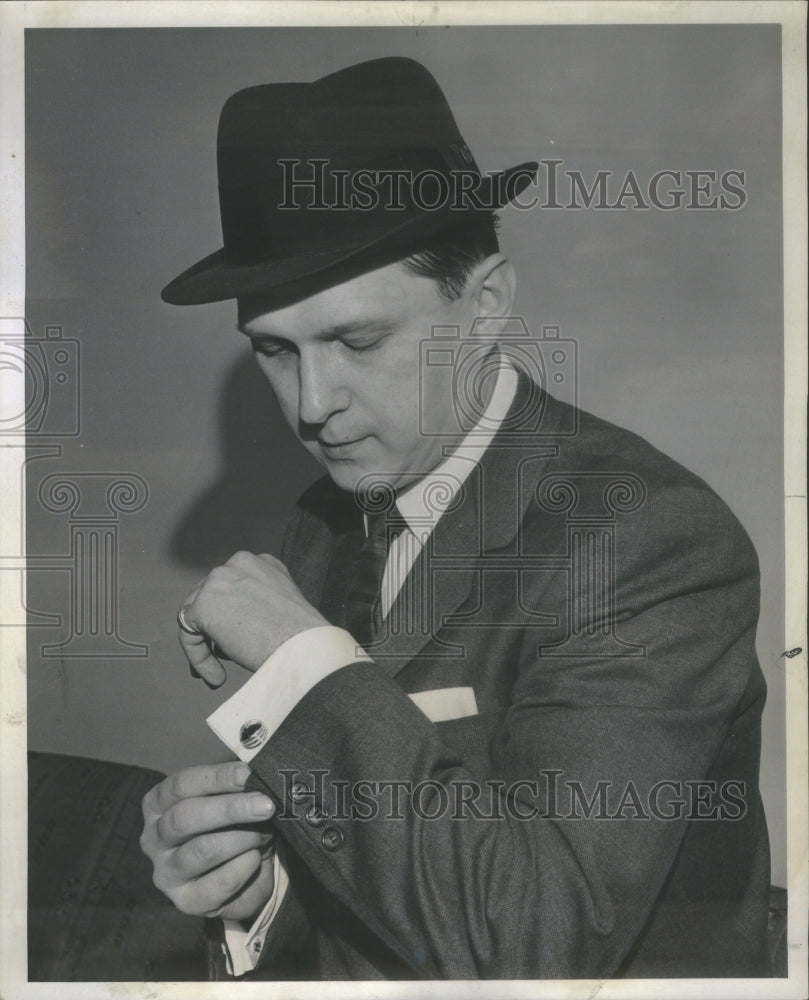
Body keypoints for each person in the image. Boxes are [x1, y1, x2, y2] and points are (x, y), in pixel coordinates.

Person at [139, 56, 771, 980]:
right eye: (275, 351)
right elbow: (377, 898)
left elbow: (533, 942)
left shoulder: (648, 540)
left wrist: (297, 660)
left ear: (484, 306)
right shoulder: (320, 529)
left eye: (358, 341)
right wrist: (257, 900)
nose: (313, 405)